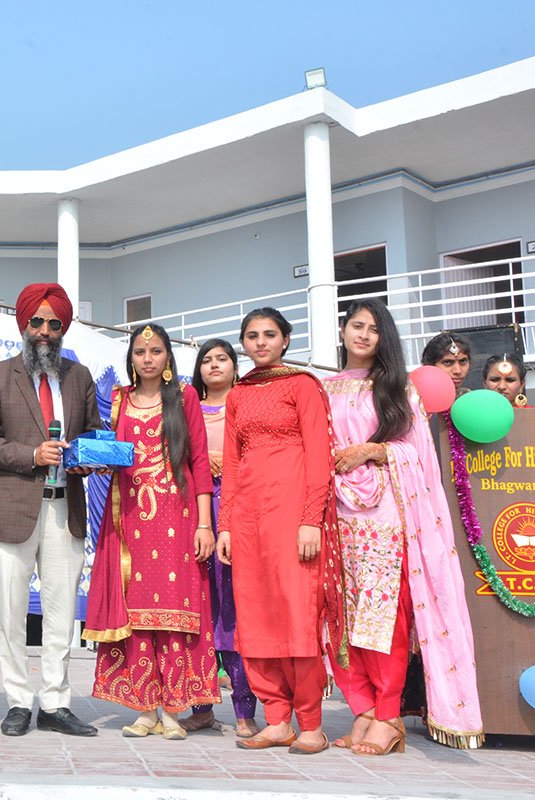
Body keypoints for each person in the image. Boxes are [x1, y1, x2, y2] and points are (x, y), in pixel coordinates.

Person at [324, 298, 485, 755]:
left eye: (374, 329)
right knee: (341, 617)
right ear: (343, 330)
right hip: (335, 514)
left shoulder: (399, 388)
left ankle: (389, 713)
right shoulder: (322, 388)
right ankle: (363, 709)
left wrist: (374, 451)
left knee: (383, 618)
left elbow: (419, 455)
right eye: (357, 325)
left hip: (384, 518)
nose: (363, 335)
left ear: (384, 338)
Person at [0, 282, 104, 738]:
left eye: (54, 323)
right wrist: (33, 455)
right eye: (37, 322)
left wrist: (87, 458)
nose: (45, 331)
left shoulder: (79, 376)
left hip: (65, 507)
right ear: (23, 324)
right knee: (11, 613)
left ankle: (55, 702)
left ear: (63, 328)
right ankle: (17, 701)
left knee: (61, 612)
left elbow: (94, 433)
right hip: (13, 509)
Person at [215, 307, 343, 755]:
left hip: (293, 515)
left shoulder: (303, 385)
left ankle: (311, 724)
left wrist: (311, 519)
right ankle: (275, 720)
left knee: (296, 614)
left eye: (269, 334)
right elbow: (232, 464)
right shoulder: (238, 394)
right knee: (256, 617)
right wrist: (225, 526)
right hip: (248, 519)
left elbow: (320, 457)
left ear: (286, 340)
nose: (261, 343)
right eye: (252, 336)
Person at [84, 324, 219, 740]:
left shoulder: (184, 397)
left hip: (178, 519)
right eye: (140, 352)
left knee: (176, 611)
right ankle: (145, 708)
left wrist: (204, 524)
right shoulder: (119, 399)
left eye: (156, 351)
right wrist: (100, 461)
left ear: (167, 357)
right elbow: (115, 453)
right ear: (131, 358)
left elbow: (199, 461)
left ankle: (175, 709)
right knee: (137, 611)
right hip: (131, 521)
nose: (147, 358)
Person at [180, 338, 259, 738]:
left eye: (222, 358)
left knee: (233, 612)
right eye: (207, 360)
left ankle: (245, 710)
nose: (214, 365)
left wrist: (227, 463)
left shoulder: (246, 405)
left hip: (237, 512)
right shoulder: (188, 407)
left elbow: (260, 453)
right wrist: (198, 463)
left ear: (234, 366)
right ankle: (202, 709)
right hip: (195, 513)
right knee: (199, 610)